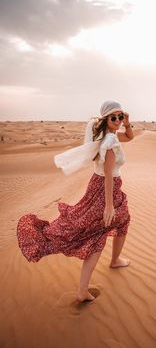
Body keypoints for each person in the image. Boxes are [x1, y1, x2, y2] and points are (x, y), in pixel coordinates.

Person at [17, 100, 134, 302]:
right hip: (108, 189)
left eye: (120, 116)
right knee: (99, 233)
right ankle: (84, 288)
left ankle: (115, 260)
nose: (117, 120)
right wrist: (108, 205)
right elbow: (108, 175)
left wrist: (128, 122)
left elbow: (129, 137)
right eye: (113, 117)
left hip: (97, 186)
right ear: (106, 119)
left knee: (122, 222)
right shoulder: (110, 142)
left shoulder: (106, 137)